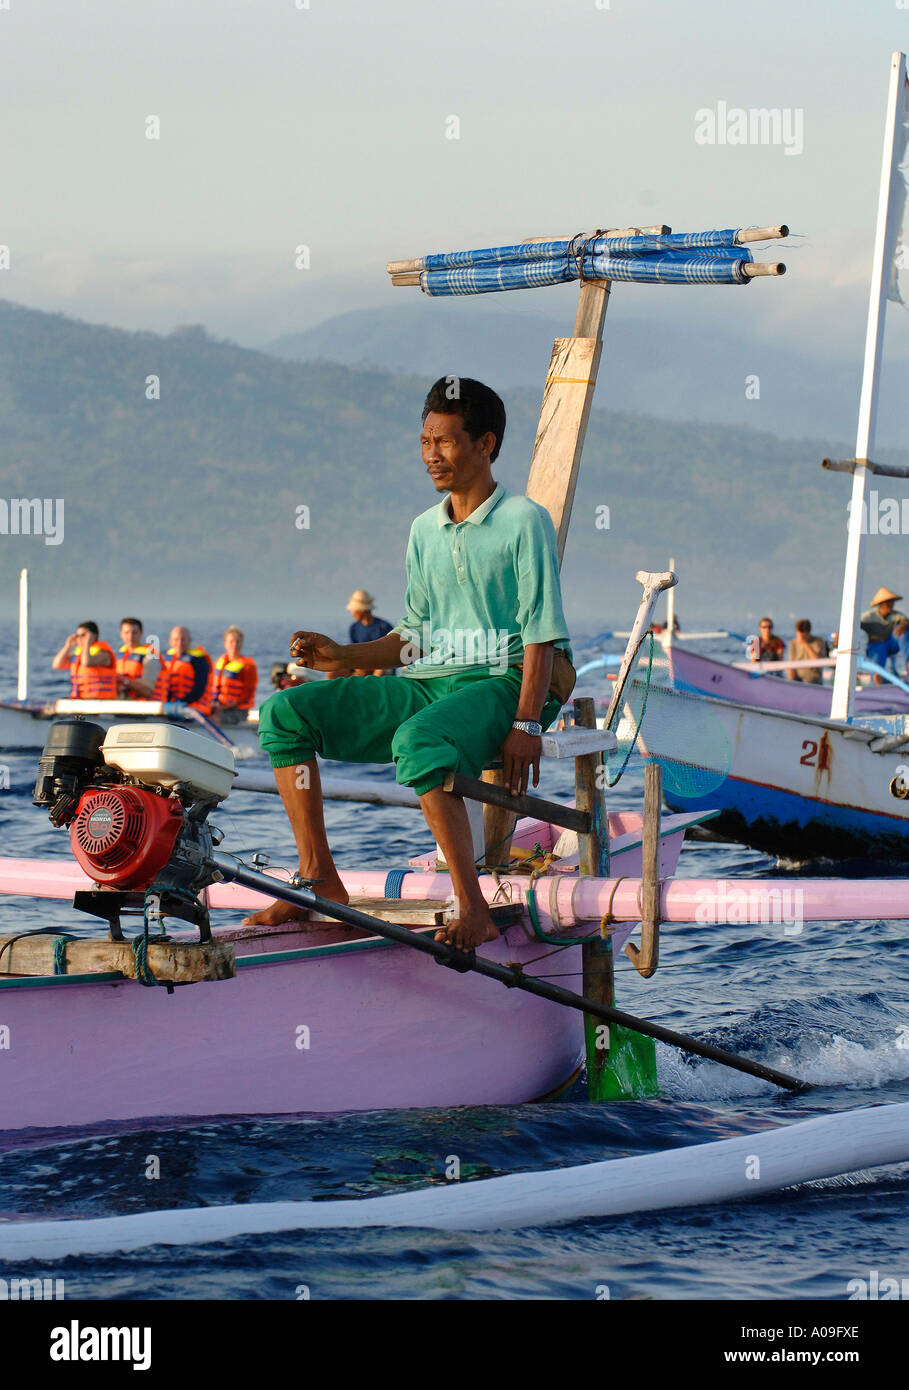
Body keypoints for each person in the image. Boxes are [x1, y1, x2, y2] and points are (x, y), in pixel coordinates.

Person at [244, 376, 576, 951]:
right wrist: (341, 655)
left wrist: (526, 724)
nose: (431, 455)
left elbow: (541, 635)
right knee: (283, 714)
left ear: (486, 444)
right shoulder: (424, 530)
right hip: (432, 683)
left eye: (444, 441)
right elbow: (414, 639)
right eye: (425, 441)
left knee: (420, 741)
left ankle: (471, 908)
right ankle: (320, 876)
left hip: (510, 682)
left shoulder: (525, 520)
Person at [51, 622, 118, 699]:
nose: (79, 638)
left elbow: (87, 662)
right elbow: (57, 665)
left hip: (101, 699)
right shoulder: (79, 654)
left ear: (94, 636)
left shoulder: (104, 654)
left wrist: (87, 643)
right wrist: (68, 646)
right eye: (77, 636)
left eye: (83, 635)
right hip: (82, 698)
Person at [156, 627, 215, 713]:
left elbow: (199, 689)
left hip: (193, 709)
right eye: (176, 640)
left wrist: (181, 702)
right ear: (170, 641)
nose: (179, 643)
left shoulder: (199, 660)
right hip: (171, 707)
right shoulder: (166, 659)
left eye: (183, 640)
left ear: (189, 640)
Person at [860, 587, 909, 683]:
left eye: (892, 602)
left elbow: (905, 621)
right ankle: (878, 678)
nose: (891, 605)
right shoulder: (867, 617)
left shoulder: (895, 615)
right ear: (881, 604)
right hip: (876, 646)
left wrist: (902, 626)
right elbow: (852, 625)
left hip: (892, 644)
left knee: (904, 632)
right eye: (888, 603)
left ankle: (908, 661)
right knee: (878, 653)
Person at [212, 626, 259, 720]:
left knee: (214, 719)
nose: (235, 644)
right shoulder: (219, 662)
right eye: (231, 641)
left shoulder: (248, 666)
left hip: (237, 710)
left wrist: (225, 707)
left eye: (238, 641)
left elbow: (247, 694)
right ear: (225, 644)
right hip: (219, 706)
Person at [347, 590, 393, 677]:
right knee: (333, 672)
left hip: (381, 666)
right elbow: (353, 653)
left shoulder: (384, 627)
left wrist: (371, 667)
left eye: (354, 610)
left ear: (362, 610)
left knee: (380, 671)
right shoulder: (354, 628)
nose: (352, 612)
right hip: (362, 666)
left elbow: (390, 654)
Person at [115, 617, 162, 699]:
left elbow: (148, 691)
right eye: (126, 633)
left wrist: (125, 681)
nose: (130, 636)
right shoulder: (118, 655)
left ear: (141, 633)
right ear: (121, 634)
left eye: (134, 633)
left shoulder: (150, 657)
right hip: (120, 703)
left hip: (141, 706)